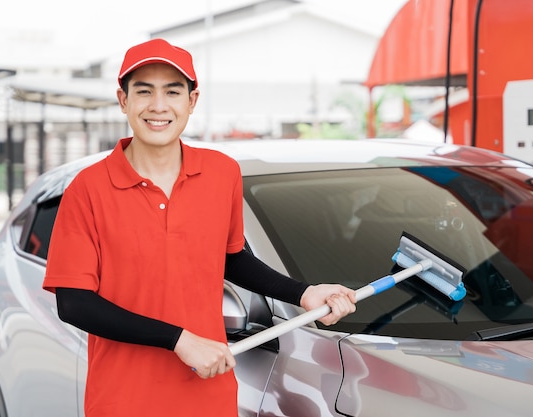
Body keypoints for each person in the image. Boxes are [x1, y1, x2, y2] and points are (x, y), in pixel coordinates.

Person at [42, 38, 357, 417]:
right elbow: (74, 303)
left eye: (173, 91)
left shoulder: (222, 174)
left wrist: (303, 293)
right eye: (144, 91)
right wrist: (178, 340)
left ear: (192, 101)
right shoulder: (88, 189)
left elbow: (230, 258)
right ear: (123, 100)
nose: (158, 106)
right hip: (122, 401)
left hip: (208, 397)